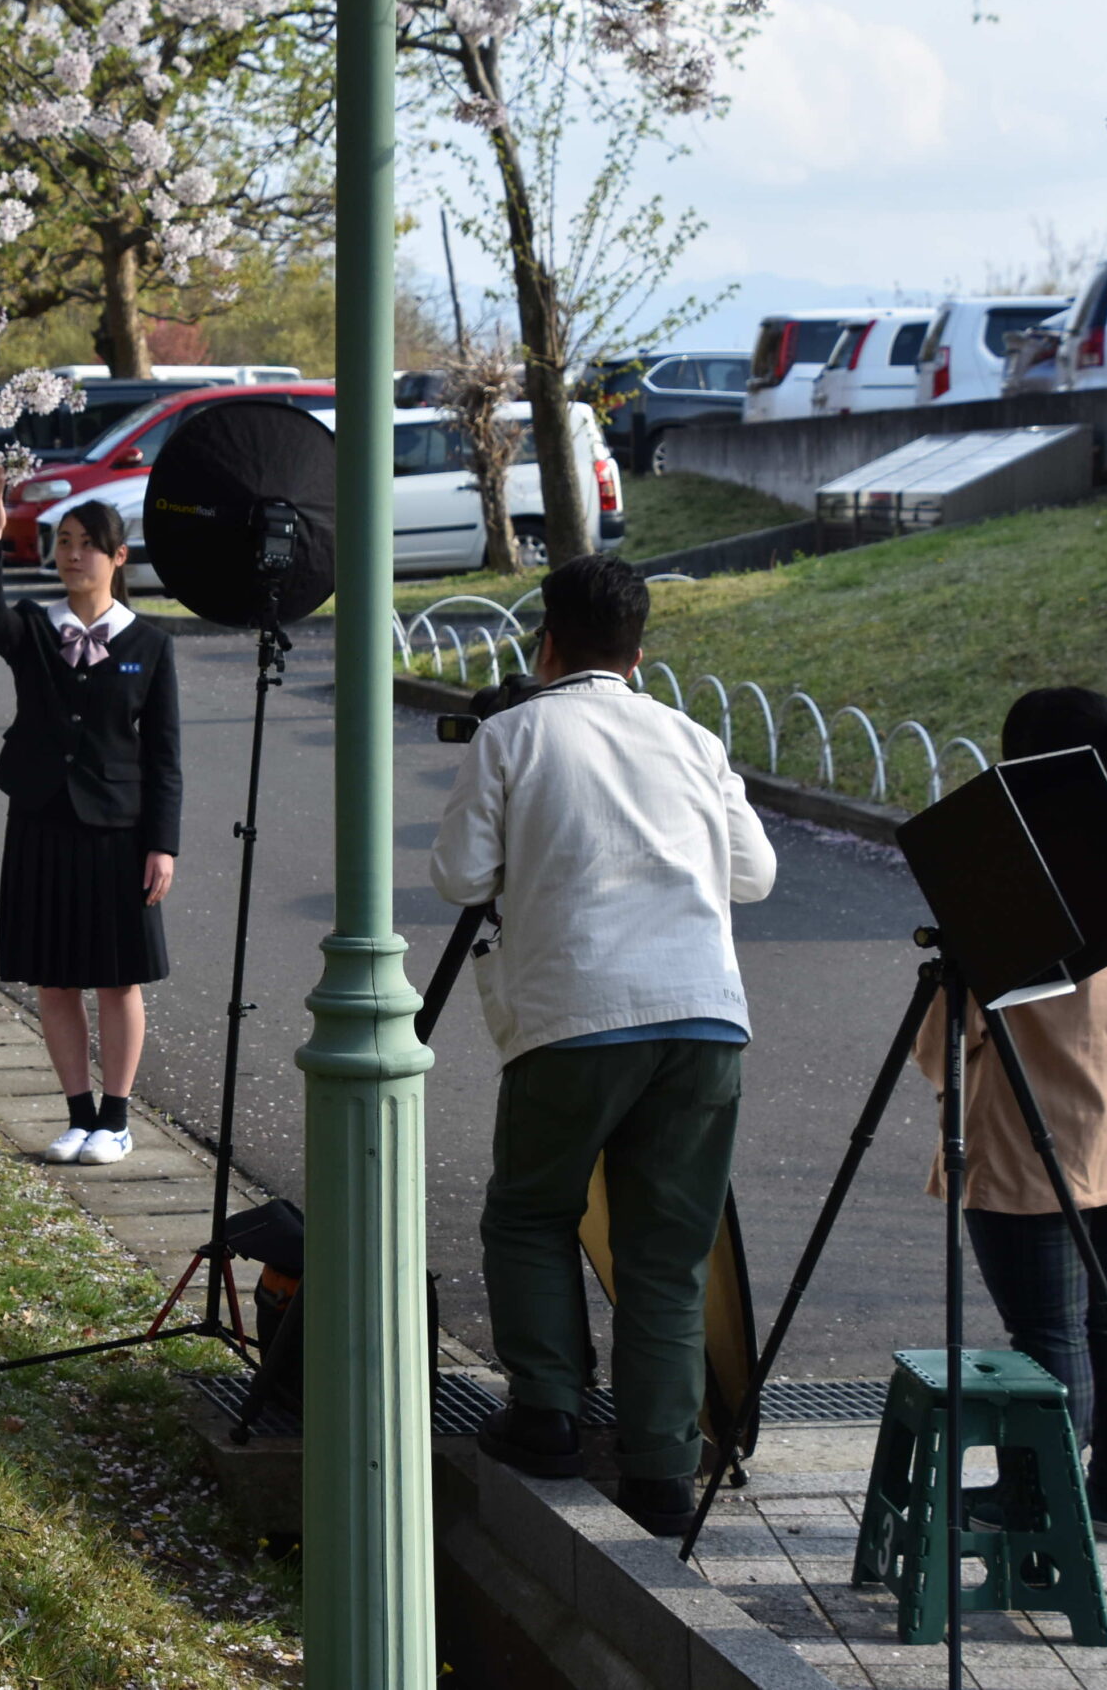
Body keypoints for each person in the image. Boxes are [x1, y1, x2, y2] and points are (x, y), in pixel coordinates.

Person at [430, 554, 776, 1536]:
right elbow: (754, 874)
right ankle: (662, 1469)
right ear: (638, 654)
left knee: (531, 1212)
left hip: (575, 1013)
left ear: (545, 643)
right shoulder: (693, 737)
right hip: (704, 1018)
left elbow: (459, 875)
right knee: (666, 1253)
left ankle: (547, 1413)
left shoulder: (512, 734)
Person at [912, 687, 1107, 1545]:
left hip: (1035, 1141)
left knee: (1045, 1328)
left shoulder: (1020, 880)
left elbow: (943, 1037)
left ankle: (1035, 1504)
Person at [0, 466, 180, 1167]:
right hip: (41, 817)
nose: (72, 554)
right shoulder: (35, 627)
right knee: (54, 976)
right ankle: (78, 1116)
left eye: (87, 544)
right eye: (63, 542)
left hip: (119, 829)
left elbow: (164, 756)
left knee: (118, 977)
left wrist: (163, 845)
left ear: (118, 558)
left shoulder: (150, 645)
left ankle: (116, 1120)